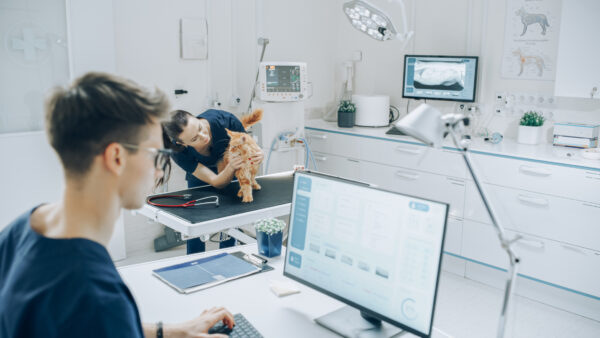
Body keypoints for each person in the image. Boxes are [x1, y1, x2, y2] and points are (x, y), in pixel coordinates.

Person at [0, 72, 235, 338]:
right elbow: (99, 318)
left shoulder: (22, 229)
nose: (159, 173)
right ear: (117, 158)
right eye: (155, 154)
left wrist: (175, 331)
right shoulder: (94, 294)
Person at [162, 109, 264, 254]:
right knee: (195, 225)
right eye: (194, 139)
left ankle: (229, 256)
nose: (203, 137)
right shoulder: (178, 151)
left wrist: (259, 154)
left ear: (195, 117)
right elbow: (216, 181)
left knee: (232, 220)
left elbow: (249, 148)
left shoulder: (225, 121)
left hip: (231, 166)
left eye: (200, 128)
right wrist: (230, 167)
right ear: (182, 143)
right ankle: (194, 261)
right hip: (201, 178)